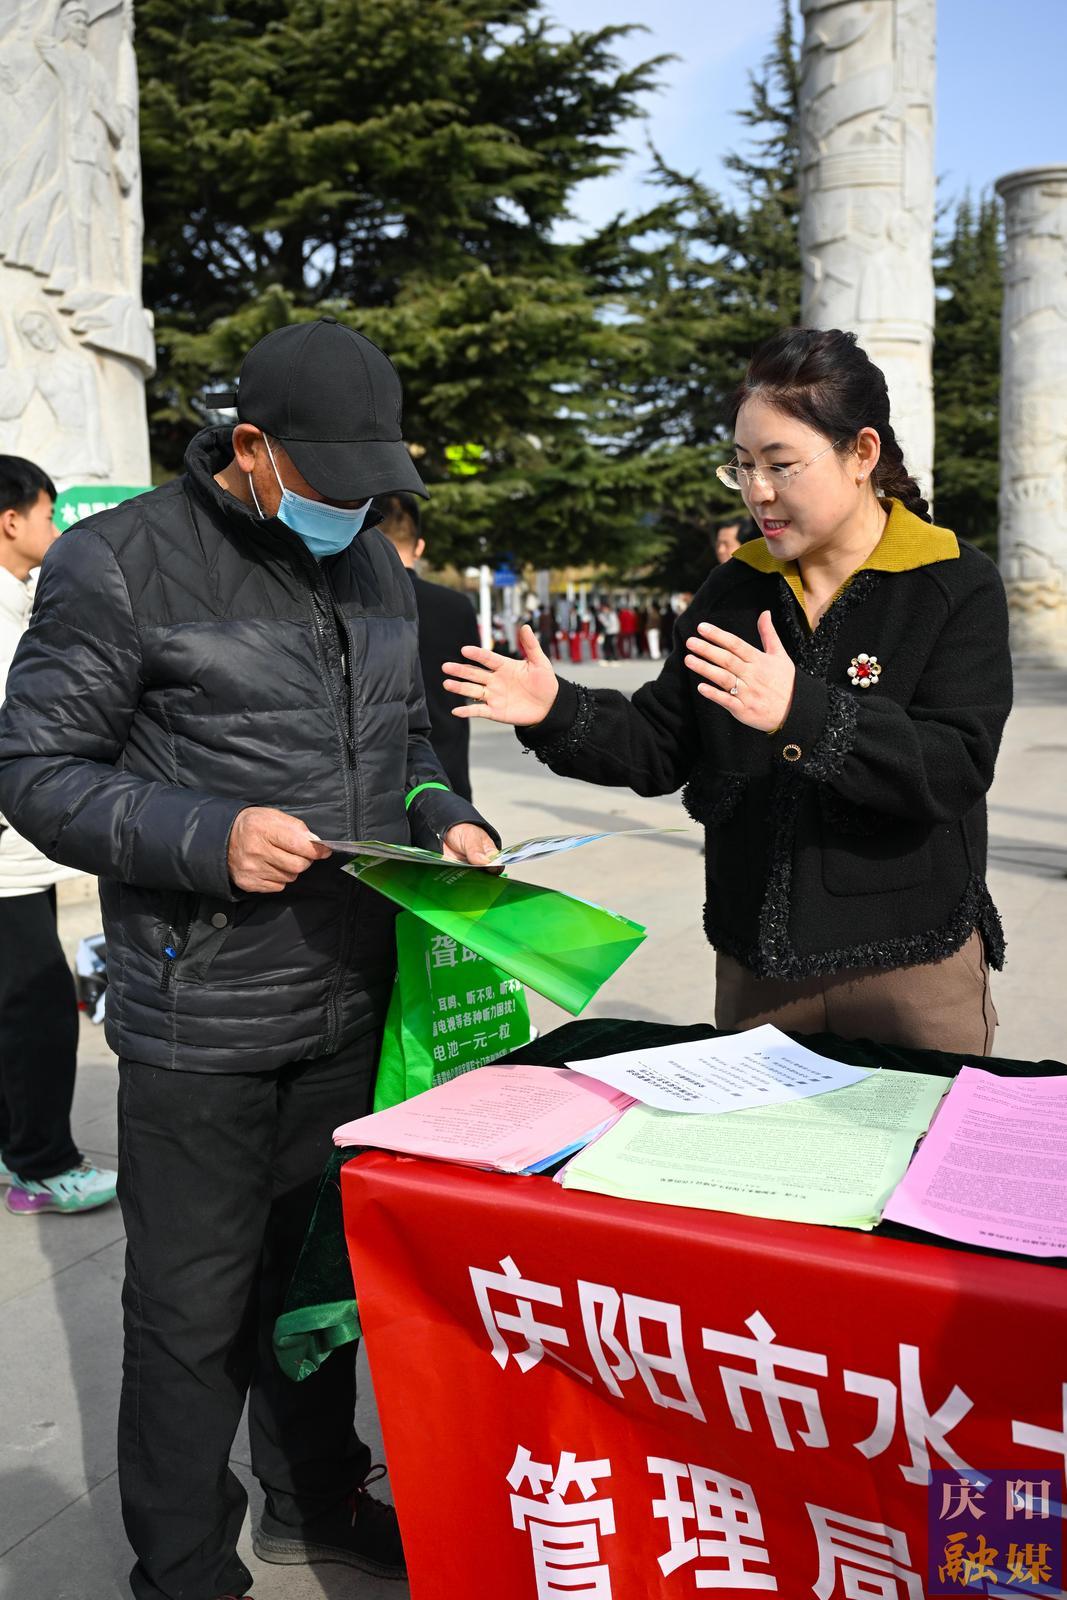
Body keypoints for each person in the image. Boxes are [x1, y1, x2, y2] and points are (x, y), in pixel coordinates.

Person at [0, 319, 499, 1600]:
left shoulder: (369, 562)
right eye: (331, 482)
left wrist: (444, 813)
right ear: (252, 447)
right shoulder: (119, 563)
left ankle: (316, 1497)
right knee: (189, 1311)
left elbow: (405, 741)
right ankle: (182, 1569)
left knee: (314, 1285)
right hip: (203, 1011)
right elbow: (37, 770)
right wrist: (209, 835)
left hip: (349, 993)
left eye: (373, 487)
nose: (353, 510)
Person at [442, 328, 1012, 1055]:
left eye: (780, 464)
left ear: (862, 453)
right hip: (758, 967)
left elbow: (953, 766)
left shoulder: (951, 582)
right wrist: (557, 709)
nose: (757, 492)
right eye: (741, 466)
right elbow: (660, 745)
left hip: (911, 961)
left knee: (925, 1129)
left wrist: (800, 712)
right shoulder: (735, 588)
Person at [0, 454, 117, 1215]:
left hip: (21, 858)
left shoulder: (18, 603)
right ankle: (43, 1166)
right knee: (38, 1009)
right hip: (6, 862)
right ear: (10, 520)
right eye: (47, 514)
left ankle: (19, 1147)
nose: (54, 526)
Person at [376, 489, 481, 800]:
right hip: (447, 775)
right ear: (419, 546)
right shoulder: (456, 605)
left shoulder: (352, 604)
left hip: (379, 784)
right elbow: (473, 681)